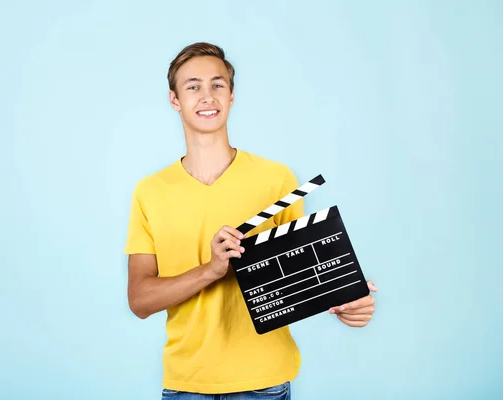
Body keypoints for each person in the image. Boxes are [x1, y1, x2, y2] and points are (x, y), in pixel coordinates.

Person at [124, 42, 378, 400]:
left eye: (218, 85)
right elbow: (140, 300)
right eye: (193, 86)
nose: (207, 96)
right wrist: (210, 270)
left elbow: (303, 272)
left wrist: (348, 297)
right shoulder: (150, 192)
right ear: (174, 100)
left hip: (264, 381)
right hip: (187, 382)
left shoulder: (276, 181)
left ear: (231, 97)